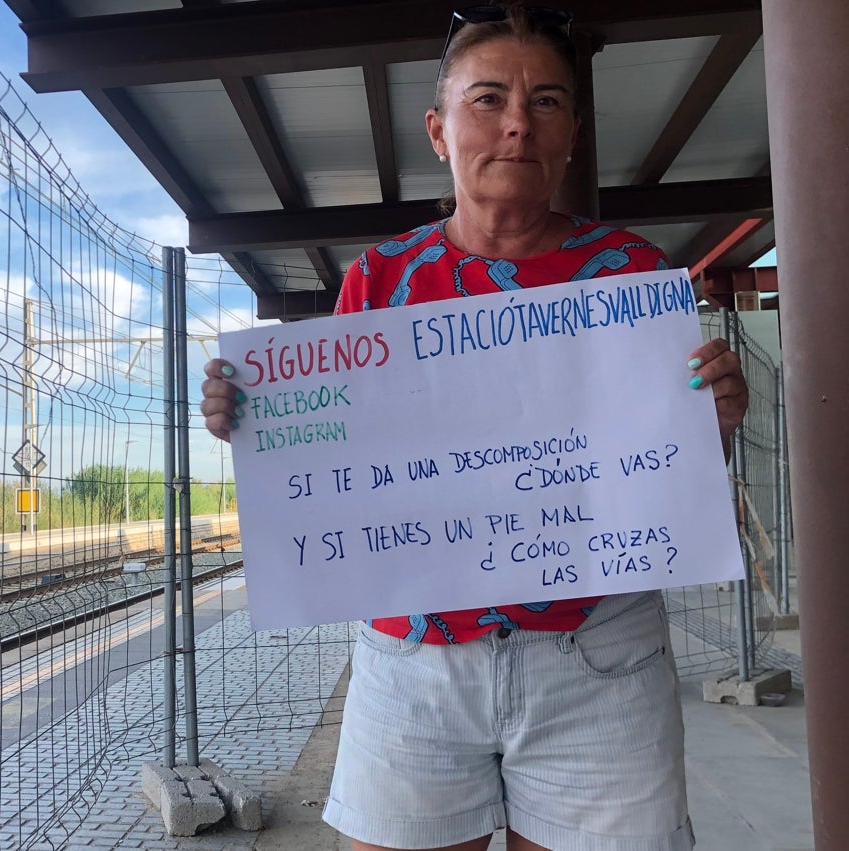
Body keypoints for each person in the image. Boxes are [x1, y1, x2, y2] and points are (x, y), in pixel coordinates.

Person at [200, 4, 749, 850]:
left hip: (599, 657)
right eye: (488, 98)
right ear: (438, 129)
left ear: (573, 131)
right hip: (412, 661)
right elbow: (339, 465)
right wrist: (257, 423)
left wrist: (713, 424)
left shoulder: (635, 277)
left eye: (549, 102)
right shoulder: (380, 282)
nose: (519, 123)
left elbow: (665, 481)